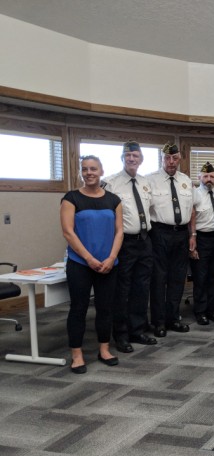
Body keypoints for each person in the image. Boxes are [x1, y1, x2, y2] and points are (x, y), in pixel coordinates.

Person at [60, 155, 123, 374]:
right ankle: (77, 354)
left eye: (93, 168)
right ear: (81, 172)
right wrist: (88, 258)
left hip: (108, 264)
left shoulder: (113, 200)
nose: (89, 172)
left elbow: (119, 231)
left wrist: (111, 257)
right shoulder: (71, 198)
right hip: (80, 263)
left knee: (105, 308)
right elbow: (68, 232)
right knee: (78, 308)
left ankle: (104, 350)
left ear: (101, 170)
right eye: (85, 169)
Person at [103, 140, 157, 354]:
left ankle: (138, 330)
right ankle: (122, 334)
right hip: (124, 243)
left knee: (141, 289)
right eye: (128, 156)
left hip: (145, 241)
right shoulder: (111, 183)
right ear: (122, 159)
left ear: (141, 159)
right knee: (122, 290)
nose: (132, 159)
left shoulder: (145, 182)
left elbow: (149, 209)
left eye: (135, 156)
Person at [147, 142, 193, 337]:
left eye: (175, 158)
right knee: (159, 279)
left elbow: (192, 211)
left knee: (177, 278)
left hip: (181, 233)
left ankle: (173, 318)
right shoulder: (149, 180)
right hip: (159, 233)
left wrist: (193, 235)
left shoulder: (186, 180)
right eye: (167, 158)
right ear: (162, 158)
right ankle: (158, 322)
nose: (171, 162)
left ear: (180, 158)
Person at [188, 162, 214, 325]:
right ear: (199, 178)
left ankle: (212, 309)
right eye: (205, 176)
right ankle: (200, 311)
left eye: (211, 176)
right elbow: (191, 218)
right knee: (201, 277)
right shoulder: (194, 194)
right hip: (201, 238)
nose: (208, 179)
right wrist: (193, 239)